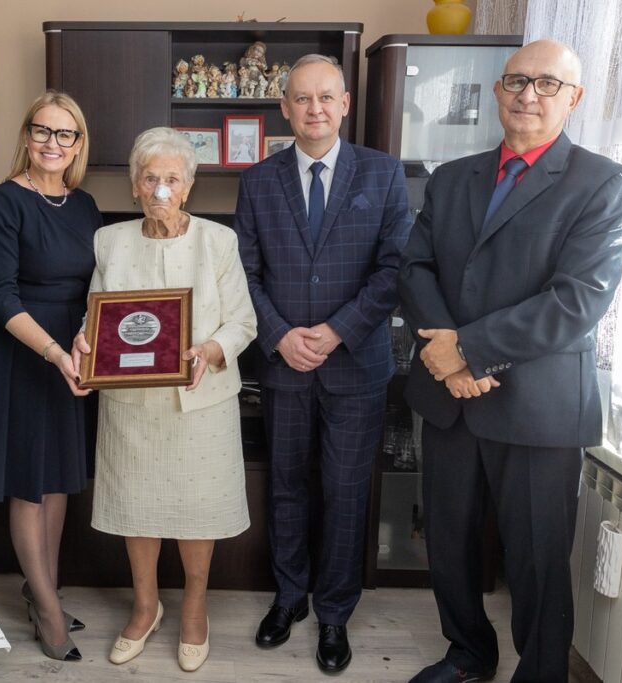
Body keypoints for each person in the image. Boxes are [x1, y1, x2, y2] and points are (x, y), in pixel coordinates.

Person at [398, 40, 622, 683]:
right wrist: (448, 359)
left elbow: (577, 300)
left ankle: (540, 672)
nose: (528, 94)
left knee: (537, 559)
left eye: (547, 84)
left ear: (574, 98)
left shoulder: (604, 182)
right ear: (499, 90)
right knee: (447, 542)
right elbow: (415, 267)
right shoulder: (453, 177)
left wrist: (467, 349)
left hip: (538, 406)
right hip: (449, 398)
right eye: (516, 81)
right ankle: (467, 655)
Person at [234, 54, 411, 674]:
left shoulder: (383, 173)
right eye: (302, 98)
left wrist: (337, 331)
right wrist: (279, 335)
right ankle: (289, 597)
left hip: (356, 365)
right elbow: (244, 273)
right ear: (285, 108)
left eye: (325, 97)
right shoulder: (258, 182)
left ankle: (334, 612)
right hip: (283, 365)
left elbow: (394, 269)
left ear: (344, 104)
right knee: (286, 485)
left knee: (345, 491)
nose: (315, 109)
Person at [71, 127, 257, 672]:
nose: (160, 189)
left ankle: (195, 607)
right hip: (132, 406)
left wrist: (212, 349)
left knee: (198, 511)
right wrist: (85, 341)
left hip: (201, 402)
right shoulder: (111, 241)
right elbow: (97, 316)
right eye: (150, 178)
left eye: (172, 179)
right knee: (138, 509)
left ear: (188, 187)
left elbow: (243, 321)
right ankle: (146, 605)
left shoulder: (218, 241)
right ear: (134, 186)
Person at [0, 91, 101, 663]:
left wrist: (85, 343)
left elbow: (98, 288)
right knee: (29, 480)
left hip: (74, 350)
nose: (53, 143)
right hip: (25, 352)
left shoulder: (86, 205)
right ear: (27, 136)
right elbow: (0, 294)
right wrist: (54, 352)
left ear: (78, 143)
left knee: (58, 478)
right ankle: (49, 610)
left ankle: (41, 589)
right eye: (42, 131)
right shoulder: (4, 201)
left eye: (64, 133)